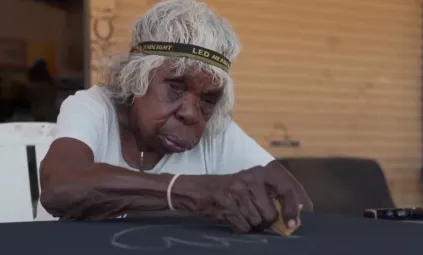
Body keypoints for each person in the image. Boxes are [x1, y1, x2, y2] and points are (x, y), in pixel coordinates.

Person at [40, 0, 313, 233]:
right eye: (175, 87)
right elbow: (60, 187)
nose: (191, 114)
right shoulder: (94, 108)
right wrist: (194, 192)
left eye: (208, 100)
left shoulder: (216, 130)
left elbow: (297, 203)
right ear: (136, 70)